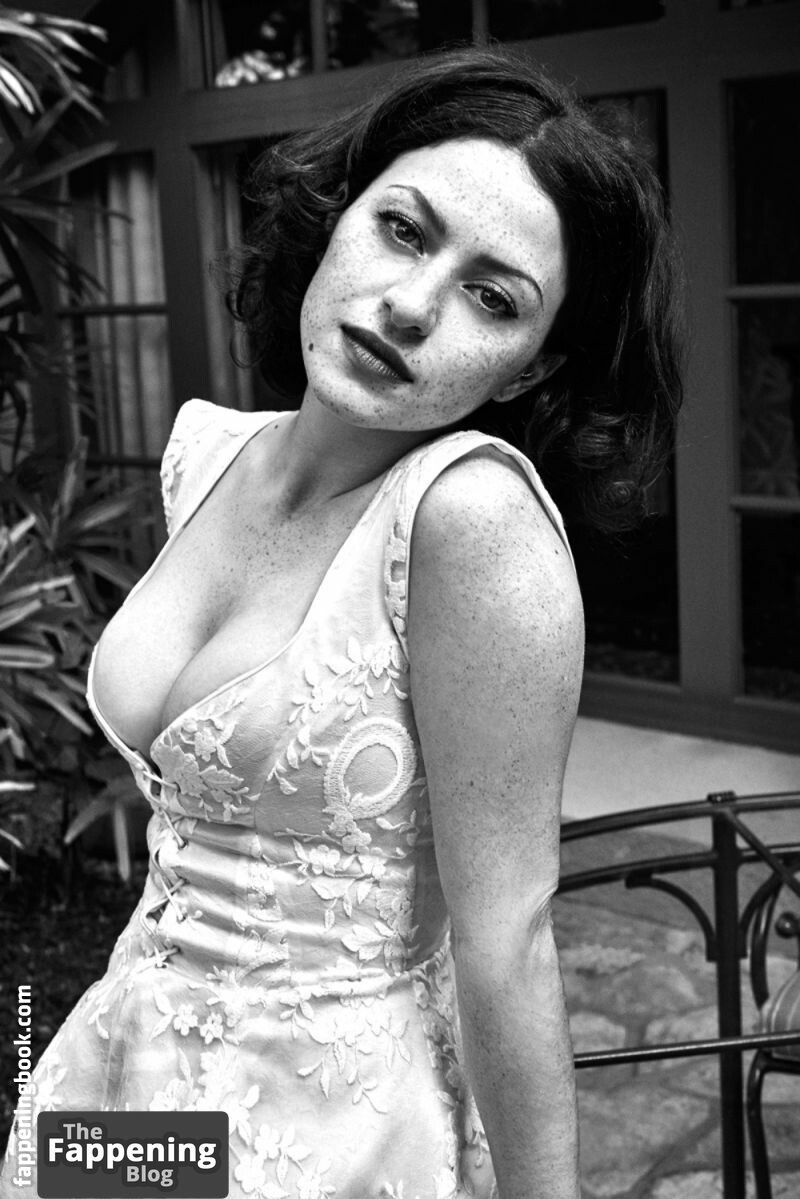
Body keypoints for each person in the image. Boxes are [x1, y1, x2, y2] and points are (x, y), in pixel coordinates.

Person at [1, 45, 682, 1199]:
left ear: (530, 368)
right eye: (402, 230)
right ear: (337, 215)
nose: (410, 305)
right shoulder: (207, 454)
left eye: (492, 297)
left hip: (316, 1138)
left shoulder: (468, 520)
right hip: (120, 1098)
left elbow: (507, 941)